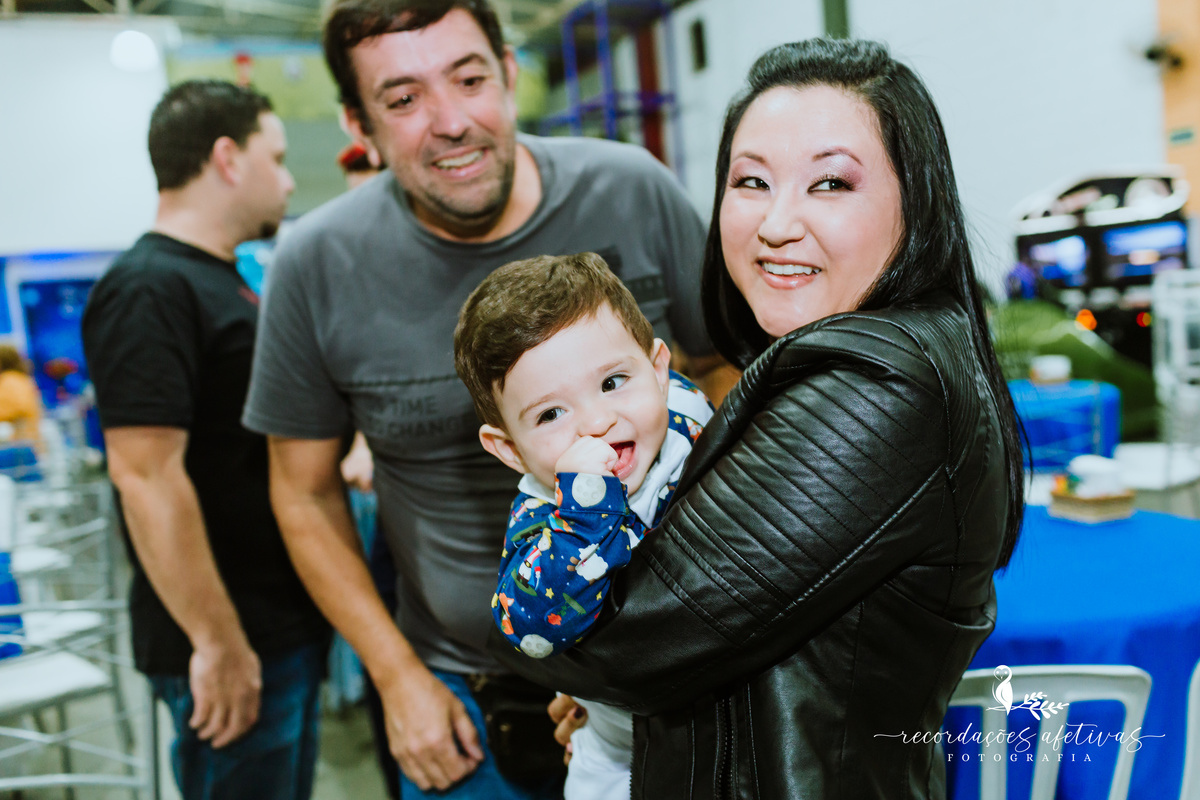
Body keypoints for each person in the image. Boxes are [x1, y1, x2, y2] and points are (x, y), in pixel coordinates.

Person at [492, 38, 1027, 800]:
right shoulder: (835, 358)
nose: (777, 223)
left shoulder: (880, 381)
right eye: (751, 181)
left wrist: (566, 659)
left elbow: (631, 641)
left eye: (831, 183)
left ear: (918, 200)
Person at [242, 0, 728, 795]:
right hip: (467, 698)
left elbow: (721, 372)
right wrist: (397, 678)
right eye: (402, 99)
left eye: (469, 79)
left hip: (684, 670)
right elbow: (301, 495)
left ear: (508, 73)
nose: (450, 121)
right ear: (356, 122)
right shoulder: (316, 266)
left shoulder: (633, 190)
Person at [82, 80, 329, 800]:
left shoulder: (222, 280)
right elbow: (145, 476)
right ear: (227, 158)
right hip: (229, 634)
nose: (286, 180)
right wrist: (217, 643)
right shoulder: (148, 287)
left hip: (275, 623)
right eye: (276, 159)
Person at [454, 252, 713, 799]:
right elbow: (529, 628)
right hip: (616, 750)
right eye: (550, 415)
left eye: (614, 381)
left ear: (659, 371)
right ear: (509, 451)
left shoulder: (688, 416)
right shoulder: (543, 518)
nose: (597, 422)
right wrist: (584, 507)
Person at [0, 344, 43, 446]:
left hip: (20, 443)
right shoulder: (21, 378)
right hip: (28, 441)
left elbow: (19, 406)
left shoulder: (10, 379)